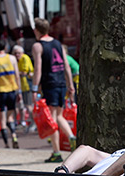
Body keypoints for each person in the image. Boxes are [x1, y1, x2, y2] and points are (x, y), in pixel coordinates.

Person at [31, 17, 76, 163]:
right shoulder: (58, 43)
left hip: (49, 83)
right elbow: (66, 66)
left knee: (51, 120)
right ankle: (71, 138)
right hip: (61, 83)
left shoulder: (38, 46)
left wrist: (34, 89)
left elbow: (38, 69)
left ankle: (56, 152)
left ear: (36, 30)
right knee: (58, 116)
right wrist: (71, 85)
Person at [0, 39, 22, 149]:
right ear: (5, 47)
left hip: (0, 91)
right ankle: (14, 135)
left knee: (2, 119)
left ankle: (6, 144)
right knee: (10, 117)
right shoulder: (12, 58)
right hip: (12, 90)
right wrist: (19, 91)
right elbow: (17, 76)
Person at [12, 44, 34, 132]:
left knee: (28, 105)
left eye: (18, 53)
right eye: (15, 53)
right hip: (19, 86)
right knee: (20, 106)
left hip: (27, 85)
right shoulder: (16, 60)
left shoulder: (24, 58)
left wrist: (15, 73)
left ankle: (33, 123)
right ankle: (22, 122)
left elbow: (24, 72)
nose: (17, 55)